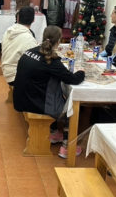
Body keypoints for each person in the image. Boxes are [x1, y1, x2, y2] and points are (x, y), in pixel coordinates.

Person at [13, 26, 85, 158]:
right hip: (34, 103)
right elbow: (73, 79)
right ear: (58, 42)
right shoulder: (52, 61)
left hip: (20, 98)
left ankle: (55, 132)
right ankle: (67, 146)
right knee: (71, 107)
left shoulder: (30, 51)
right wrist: (82, 72)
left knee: (57, 93)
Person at [1, 6, 38, 85]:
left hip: (6, 71)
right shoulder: (28, 38)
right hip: (16, 76)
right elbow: (35, 61)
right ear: (33, 20)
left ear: (18, 18)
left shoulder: (8, 31)